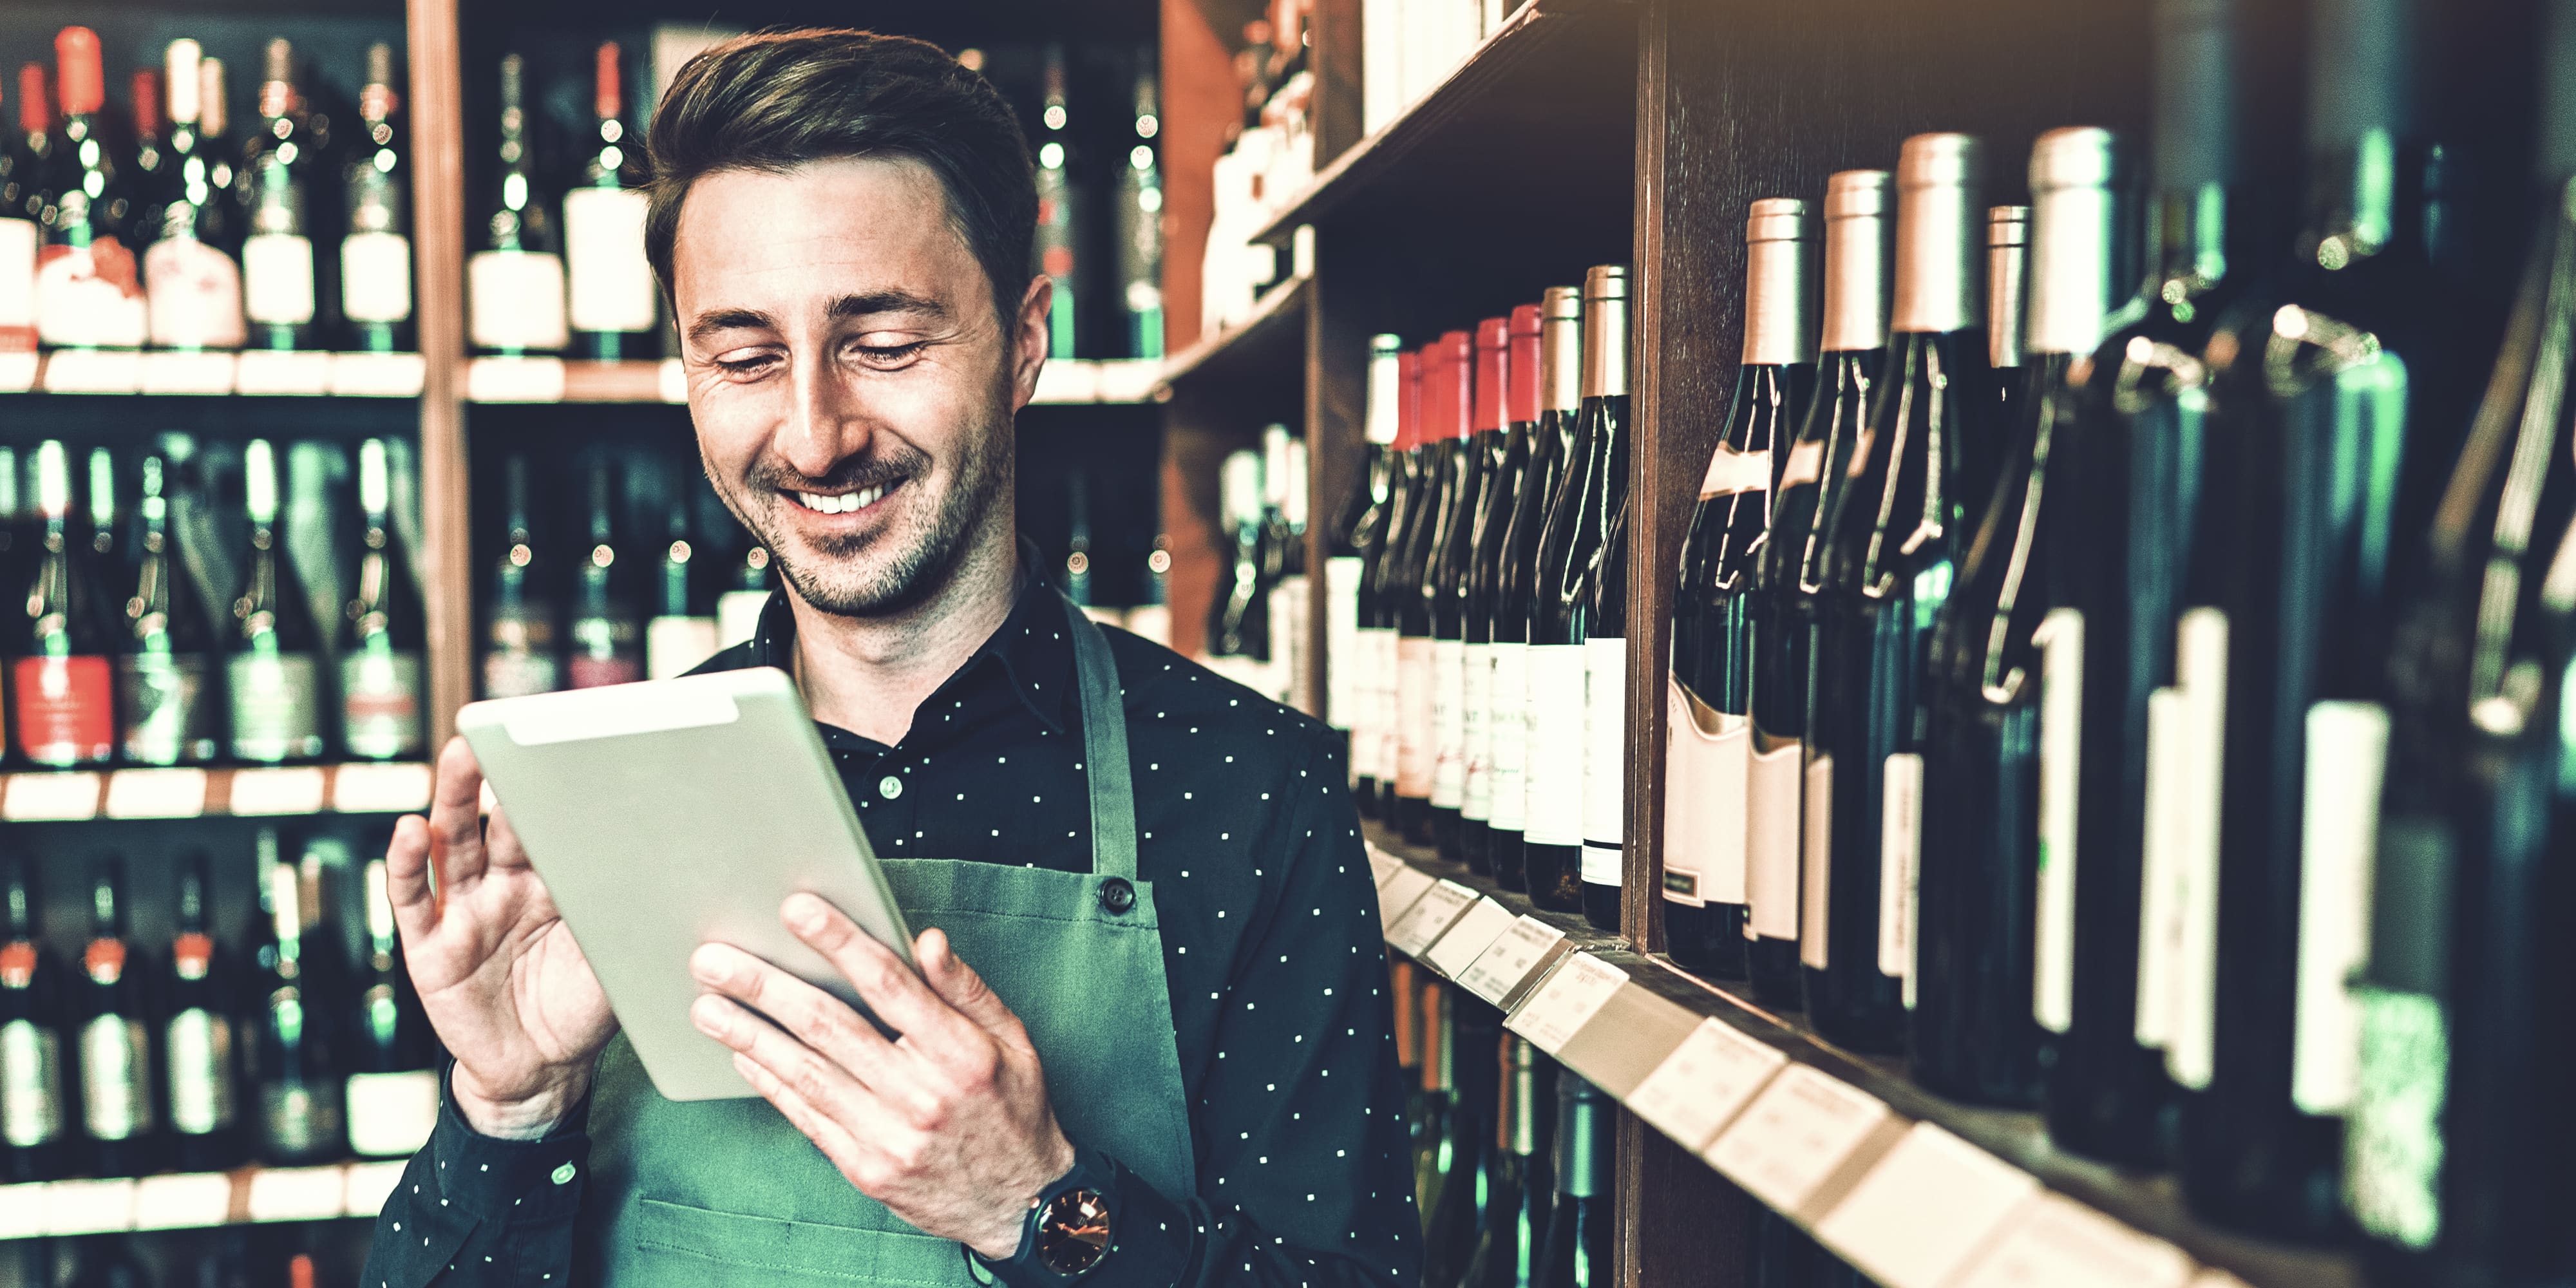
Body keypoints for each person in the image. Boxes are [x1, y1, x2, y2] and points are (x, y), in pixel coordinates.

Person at [361, 30, 1416, 1287]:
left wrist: (1046, 1207)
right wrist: (507, 1111)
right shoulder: (595, 807)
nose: (812, 433)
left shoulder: (1249, 791)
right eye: (745, 355)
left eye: (884, 340)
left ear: (1023, 339)